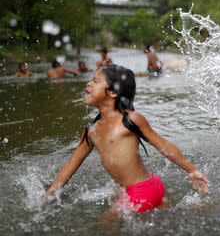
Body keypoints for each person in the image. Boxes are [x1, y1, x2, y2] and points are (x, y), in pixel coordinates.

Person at [43, 64, 209, 214]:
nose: (88, 83)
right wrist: (50, 193)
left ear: (113, 93)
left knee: (101, 232)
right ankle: (213, 207)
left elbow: (163, 145)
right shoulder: (91, 130)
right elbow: (72, 163)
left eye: (96, 80)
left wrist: (191, 170)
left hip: (142, 189)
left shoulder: (130, 120)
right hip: (144, 188)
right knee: (170, 220)